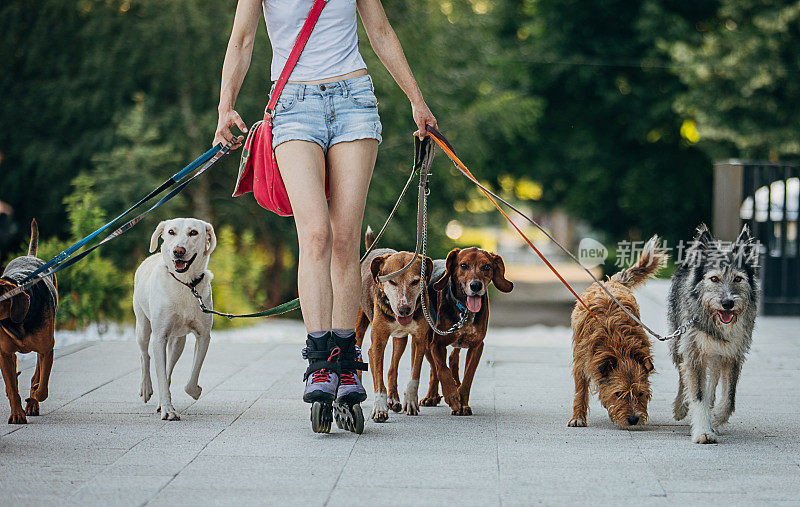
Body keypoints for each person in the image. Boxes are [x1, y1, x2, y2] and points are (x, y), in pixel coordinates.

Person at [214, 0, 437, 433]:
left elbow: (381, 31)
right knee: (315, 234)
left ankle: (346, 362)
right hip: (293, 103)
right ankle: (320, 361)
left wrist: (417, 100)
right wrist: (226, 107)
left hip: (354, 97)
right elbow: (241, 40)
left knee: (344, 238)